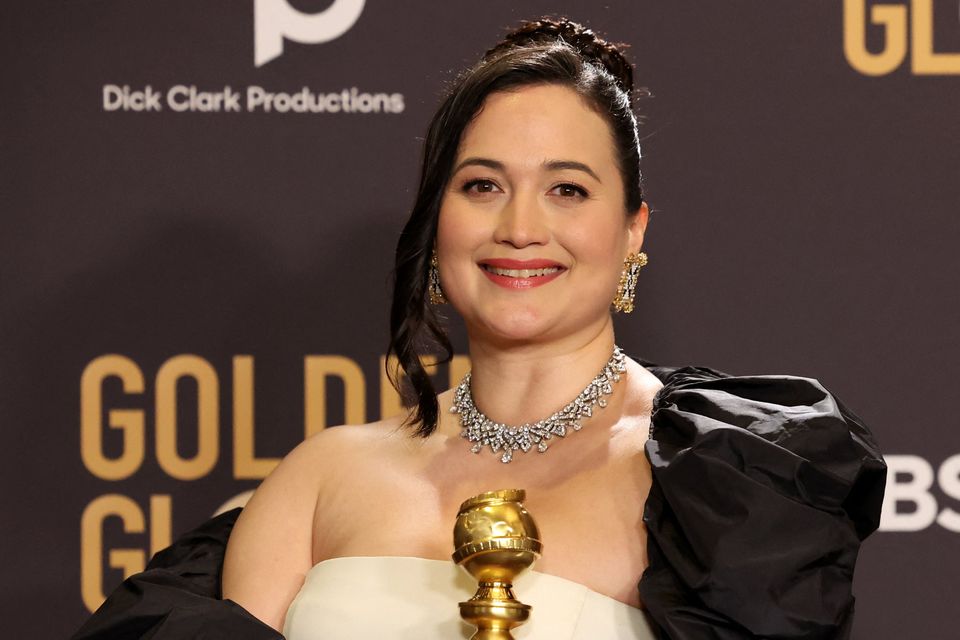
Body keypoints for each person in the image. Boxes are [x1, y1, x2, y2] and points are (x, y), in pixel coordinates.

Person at [73, 18, 886, 640]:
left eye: (567, 189)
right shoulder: (320, 479)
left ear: (633, 230)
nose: (521, 227)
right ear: (437, 221)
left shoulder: (717, 484)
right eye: (482, 185)